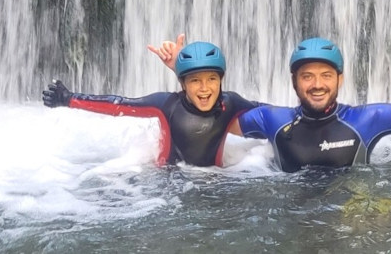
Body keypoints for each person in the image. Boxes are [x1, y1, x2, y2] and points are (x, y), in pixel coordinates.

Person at [156, 36, 391, 172]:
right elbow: (209, 107)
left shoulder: (368, 120)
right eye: (307, 77)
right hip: (289, 220)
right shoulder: (271, 120)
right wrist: (182, 72)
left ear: (340, 80)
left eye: (326, 76)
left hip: (351, 215)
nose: (317, 85)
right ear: (295, 83)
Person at [42, 38, 263, 167]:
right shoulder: (168, 105)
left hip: (216, 182)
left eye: (211, 79)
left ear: (221, 80)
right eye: (195, 80)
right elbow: (119, 105)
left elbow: (266, 114)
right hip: (169, 185)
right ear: (183, 84)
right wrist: (70, 99)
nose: (205, 88)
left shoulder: (230, 103)